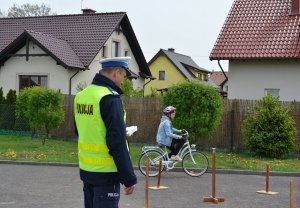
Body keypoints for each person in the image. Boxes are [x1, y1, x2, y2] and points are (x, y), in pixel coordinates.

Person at [74, 57, 137, 208]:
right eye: (123, 76)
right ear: (116, 73)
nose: (123, 81)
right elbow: (116, 142)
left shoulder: (81, 96)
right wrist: (129, 178)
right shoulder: (110, 97)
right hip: (106, 174)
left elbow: (79, 130)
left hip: (86, 171)